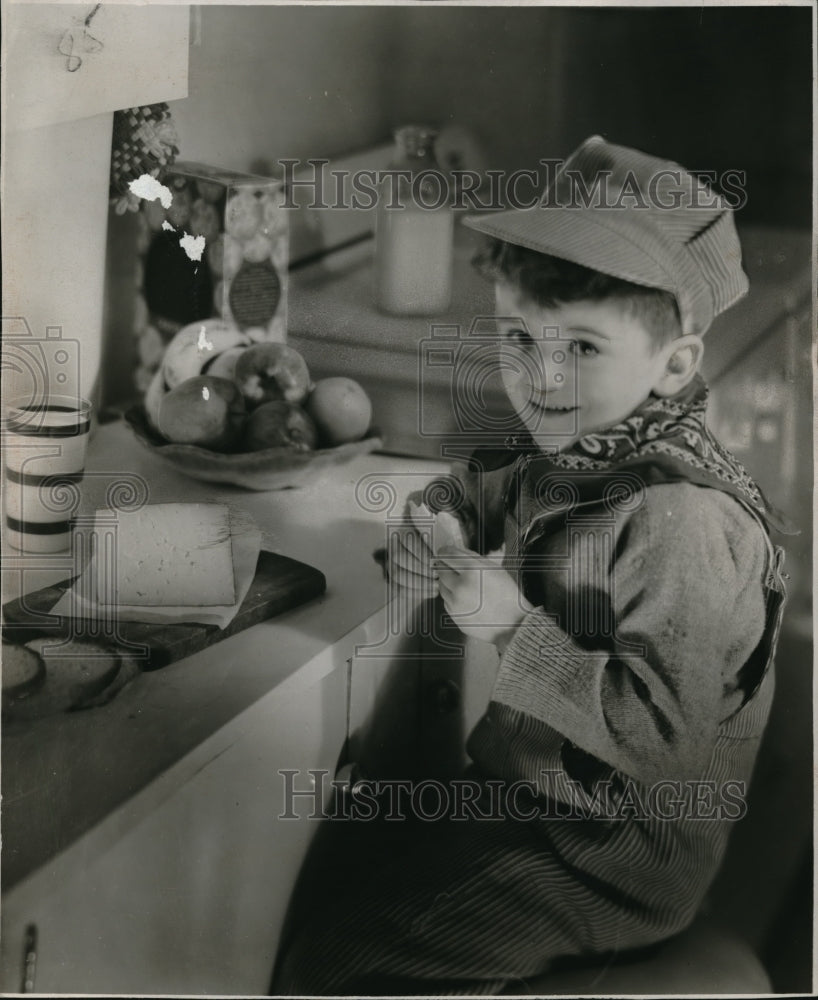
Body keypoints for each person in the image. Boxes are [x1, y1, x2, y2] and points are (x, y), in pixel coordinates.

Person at [271, 136, 788, 996]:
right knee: (355, 877)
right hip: (539, 806)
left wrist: (511, 627)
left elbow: (662, 740)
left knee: (339, 962)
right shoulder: (588, 444)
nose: (541, 377)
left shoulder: (681, 519)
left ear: (675, 365)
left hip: (612, 856)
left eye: (583, 348)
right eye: (519, 335)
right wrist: (430, 522)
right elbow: (481, 487)